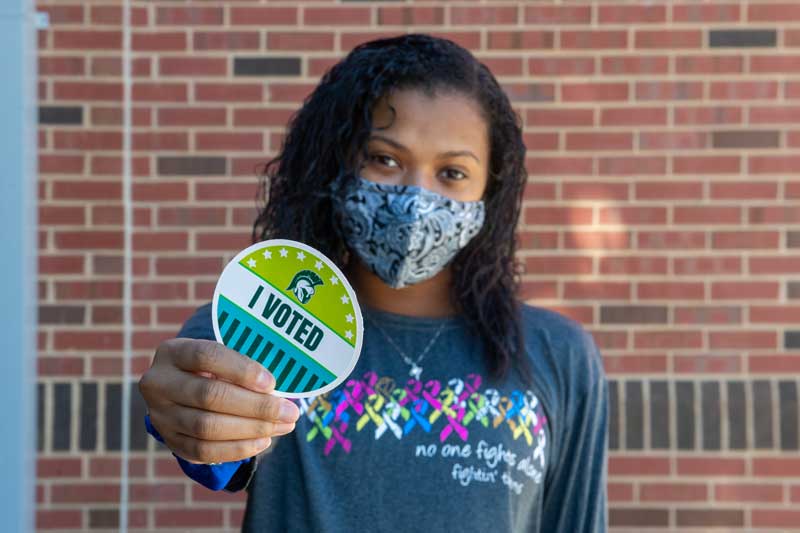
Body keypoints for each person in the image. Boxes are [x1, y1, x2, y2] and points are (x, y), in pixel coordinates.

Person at [139, 33, 609, 532]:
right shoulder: (269, 320)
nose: (416, 197)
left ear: (489, 193)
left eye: (452, 172)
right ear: (334, 163)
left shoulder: (555, 355)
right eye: (385, 159)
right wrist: (190, 419)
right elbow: (210, 444)